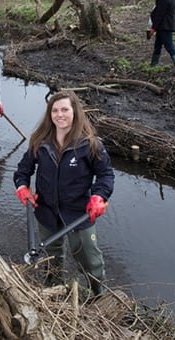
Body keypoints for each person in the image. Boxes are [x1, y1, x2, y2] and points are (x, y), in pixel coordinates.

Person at [13, 90, 115, 296]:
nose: (60, 115)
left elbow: (106, 175)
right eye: (55, 110)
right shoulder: (39, 141)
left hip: (79, 213)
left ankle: (96, 296)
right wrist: (22, 187)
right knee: (51, 259)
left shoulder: (91, 144)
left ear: (75, 112)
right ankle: (53, 293)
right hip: (46, 210)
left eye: (65, 110)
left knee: (90, 259)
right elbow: (23, 170)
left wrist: (98, 197)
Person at [149, 0, 175, 76]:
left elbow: (159, 15)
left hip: (164, 27)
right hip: (167, 26)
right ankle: (153, 64)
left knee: (169, 46)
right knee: (157, 45)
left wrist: (153, 28)